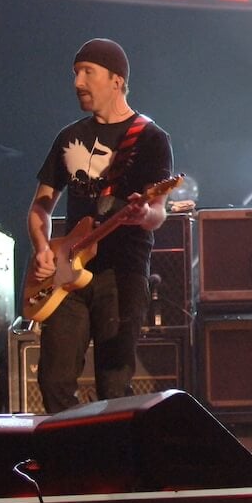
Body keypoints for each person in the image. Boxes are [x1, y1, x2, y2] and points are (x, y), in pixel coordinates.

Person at [27, 38, 173, 413]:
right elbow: (40, 207)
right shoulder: (68, 137)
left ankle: (113, 465)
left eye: (87, 72)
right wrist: (43, 248)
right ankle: (72, 460)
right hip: (66, 273)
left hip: (120, 274)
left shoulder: (151, 139)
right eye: (76, 72)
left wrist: (144, 215)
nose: (78, 81)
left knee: (114, 382)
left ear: (116, 79)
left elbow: (158, 211)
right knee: (53, 380)